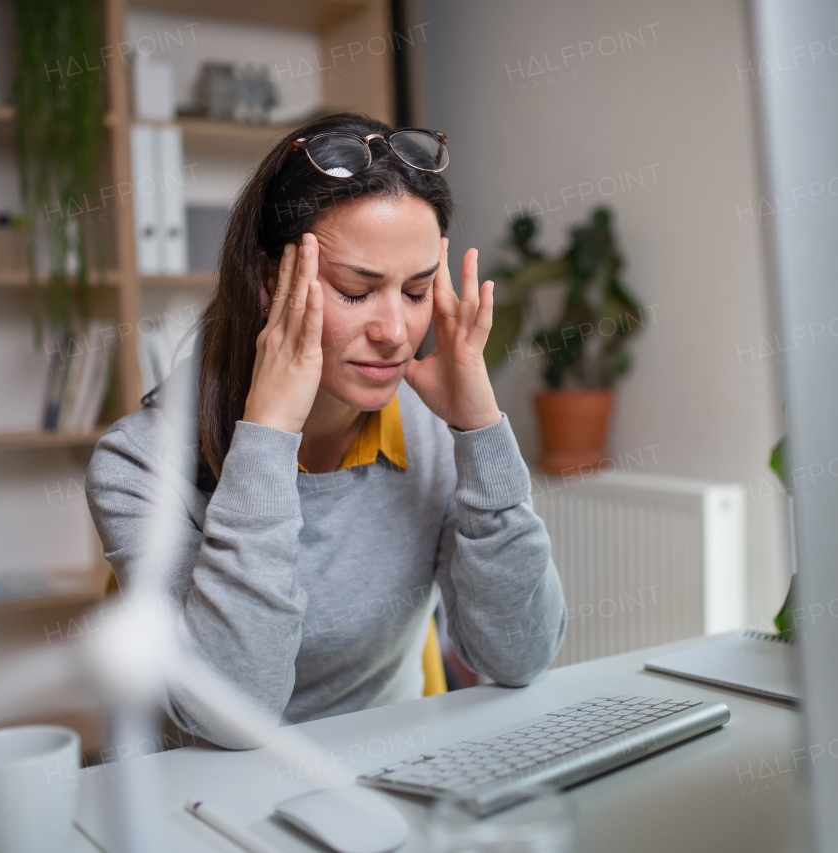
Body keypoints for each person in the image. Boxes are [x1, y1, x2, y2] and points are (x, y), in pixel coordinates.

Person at [86, 113, 567, 749]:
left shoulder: (428, 433)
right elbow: (232, 716)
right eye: (355, 290)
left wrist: (480, 426)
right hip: (215, 801)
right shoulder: (137, 464)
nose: (395, 331)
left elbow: (520, 656)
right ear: (267, 282)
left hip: (394, 776)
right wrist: (267, 435)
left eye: (417, 291)